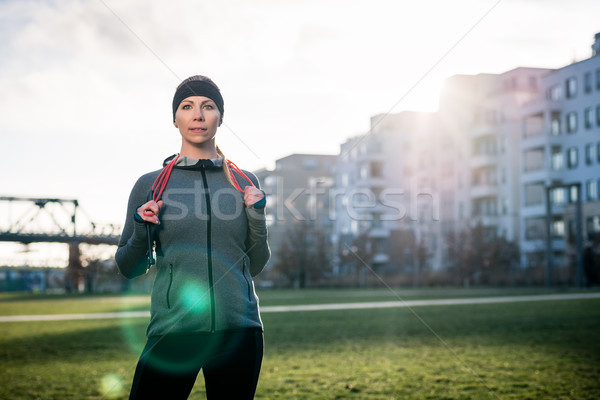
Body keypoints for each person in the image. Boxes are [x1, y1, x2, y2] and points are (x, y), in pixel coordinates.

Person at [115, 75, 270, 400]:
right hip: (174, 331)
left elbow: (256, 263)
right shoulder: (151, 184)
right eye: (187, 106)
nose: (198, 115)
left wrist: (257, 214)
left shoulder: (244, 181)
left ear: (220, 118)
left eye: (208, 106)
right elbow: (129, 267)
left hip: (239, 332)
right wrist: (143, 228)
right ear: (176, 119)